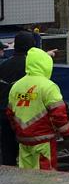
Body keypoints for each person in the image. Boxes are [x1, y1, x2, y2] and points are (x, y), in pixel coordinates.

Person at [6, 46, 69, 170]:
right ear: (45, 65)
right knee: (44, 176)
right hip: (43, 141)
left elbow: (10, 113)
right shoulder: (48, 86)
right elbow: (59, 115)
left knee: (25, 173)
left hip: (23, 140)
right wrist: (67, 135)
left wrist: (18, 130)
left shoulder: (16, 86)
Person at [0, 32, 36, 165]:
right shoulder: (31, 67)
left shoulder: (3, 65)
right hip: (25, 115)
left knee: (7, 149)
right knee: (26, 149)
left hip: (4, 113)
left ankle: (9, 172)